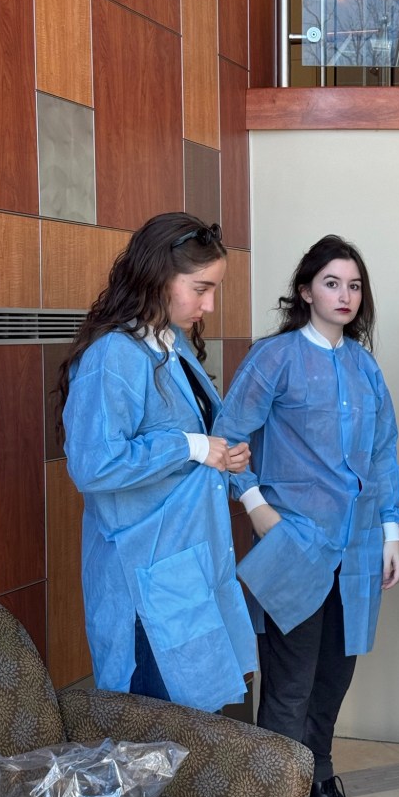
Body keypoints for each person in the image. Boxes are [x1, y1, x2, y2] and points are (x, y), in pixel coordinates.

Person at [214, 234, 399, 797]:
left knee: (332, 681)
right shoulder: (276, 358)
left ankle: (317, 791)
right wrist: (256, 508)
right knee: (290, 684)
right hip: (294, 544)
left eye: (354, 286)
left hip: (357, 549)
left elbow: (383, 452)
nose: (345, 295)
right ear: (305, 291)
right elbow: (228, 438)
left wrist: (391, 532)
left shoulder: (364, 366)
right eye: (331, 283)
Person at [57, 212, 257, 712]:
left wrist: (222, 458)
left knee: (198, 722)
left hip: (187, 562)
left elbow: (196, 439)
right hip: (144, 575)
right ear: (158, 277)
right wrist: (189, 447)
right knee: (158, 732)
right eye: (201, 289)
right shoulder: (115, 354)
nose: (209, 306)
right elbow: (95, 464)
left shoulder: (172, 346)